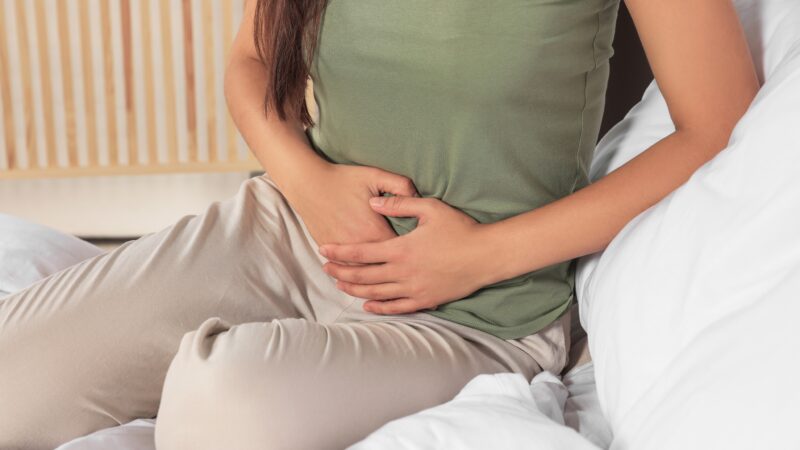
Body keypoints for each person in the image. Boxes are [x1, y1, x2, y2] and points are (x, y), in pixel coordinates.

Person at [0, 0, 758, 448]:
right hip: (286, 231)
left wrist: (481, 256)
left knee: (220, 404)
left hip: (476, 313)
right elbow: (252, 63)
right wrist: (308, 182)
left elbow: (717, 120)